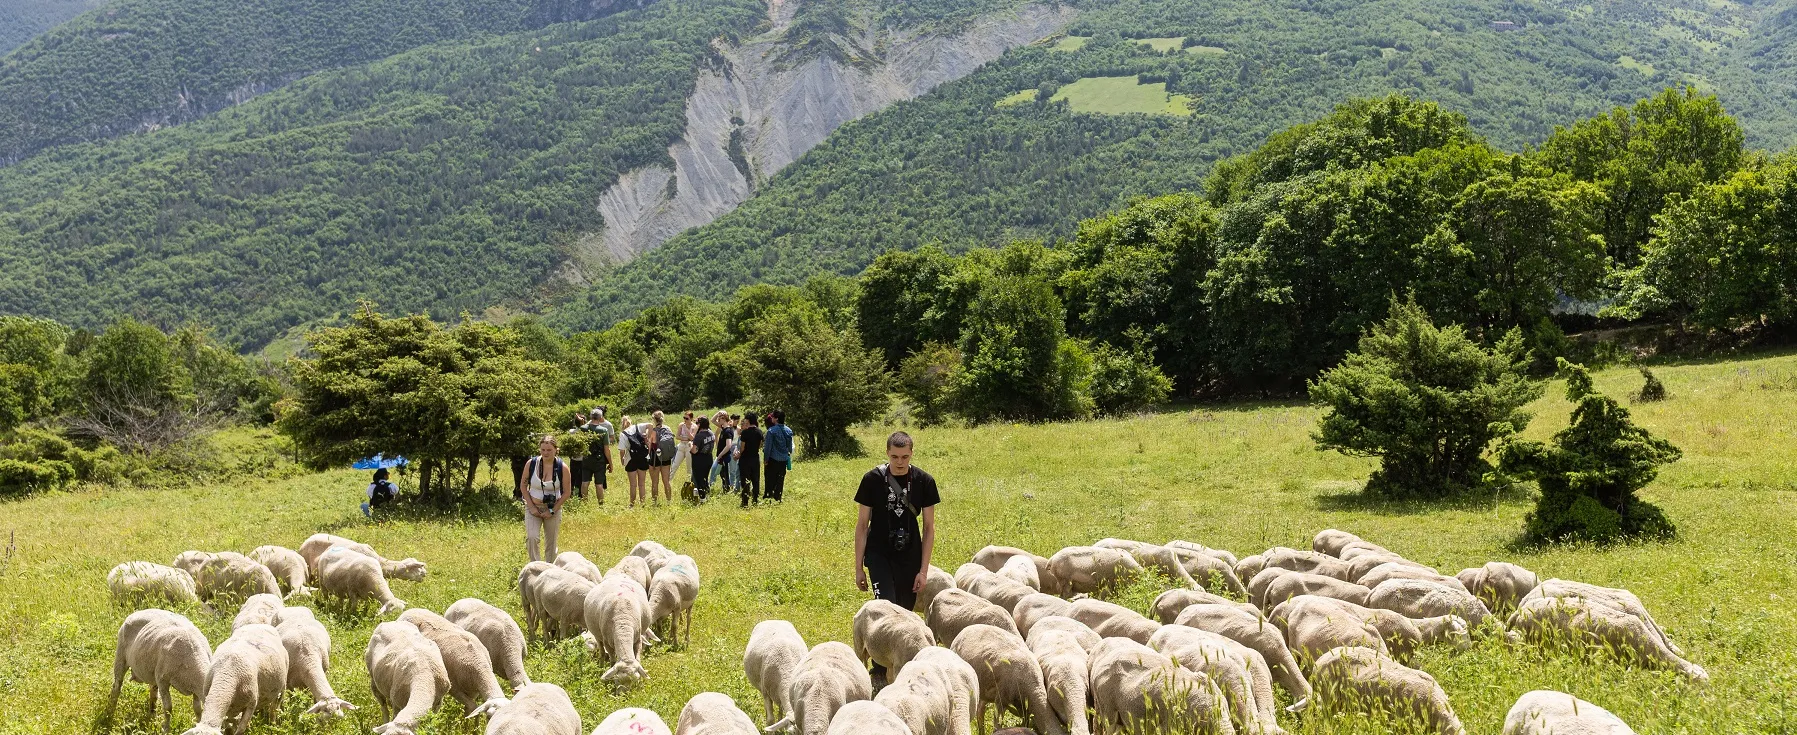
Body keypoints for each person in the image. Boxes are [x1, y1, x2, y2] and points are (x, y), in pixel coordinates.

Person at [853, 431, 939, 683]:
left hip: (910, 554)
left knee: (905, 611)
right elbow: (861, 525)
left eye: (904, 456)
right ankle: (879, 671)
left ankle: (901, 666)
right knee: (885, 608)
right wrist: (858, 567)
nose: (899, 462)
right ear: (887, 454)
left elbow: (930, 527)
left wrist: (923, 571)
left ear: (912, 454)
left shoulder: (924, 481)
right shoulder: (872, 480)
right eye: (894, 456)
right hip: (878, 552)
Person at [520, 434, 572, 562]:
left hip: (553, 507)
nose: (545, 453)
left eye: (549, 450)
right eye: (543, 450)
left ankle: (550, 569)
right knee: (532, 538)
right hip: (533, 506)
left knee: (551, 543)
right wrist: (531, 507)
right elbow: (523, 485)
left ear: (556, 450)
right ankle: (536, 567)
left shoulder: (562, 467)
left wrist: (552, 510)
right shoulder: (531, 464)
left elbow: (567, 492)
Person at [764, 409, 794, 502]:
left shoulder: (771, 431)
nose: (771, 418)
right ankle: (778, 498)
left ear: (776, 419)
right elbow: (789, 447)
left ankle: (769, 498)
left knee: (770, 480)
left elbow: (768, 447)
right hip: (783, 459)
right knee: (780, 480)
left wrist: (766, 459)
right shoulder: (789, 430)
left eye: (772, 417)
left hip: (773, 459)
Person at [648, 410, 676, 505]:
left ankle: (654, 503)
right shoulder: (668, 429)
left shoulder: (653, 431)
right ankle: (669, 501)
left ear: (654, 420)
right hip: (666, 458)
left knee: (655, 482)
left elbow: (650, 446)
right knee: (666, 481)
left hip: (655, 459)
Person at [621, 415, 650, 508]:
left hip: (631, 459)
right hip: (642, 458)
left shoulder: (623, 434)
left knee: (633, 484)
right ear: (631, 421)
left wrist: (622, 459)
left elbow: (622, 450)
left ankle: (632, 504)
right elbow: (650, 425)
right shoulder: (638, 427)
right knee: (642, 484)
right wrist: (646, 434)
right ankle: (643, 504)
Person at [587, 407, 614, 504]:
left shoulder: (584, 428)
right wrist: (610, 463)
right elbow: (607, 449)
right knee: (599, 483)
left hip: (587, 458)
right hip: (599, 458)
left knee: (585, 482)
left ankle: (584, 503)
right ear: (600, 417)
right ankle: (601, 504)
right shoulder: (603, 430)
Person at [737, 412, 765, 507]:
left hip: (745, 459)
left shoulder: (745, 432)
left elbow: (742, 447)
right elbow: (760, 445)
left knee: (745, 480)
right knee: (755, 479)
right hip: (755, 458)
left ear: (748, 420)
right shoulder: (759, 431)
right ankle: (755, 500)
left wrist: (739, 454)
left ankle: (745, 502)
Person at [565, 412, 592, 500]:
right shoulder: (587, 432)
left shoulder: (571, 432)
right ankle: (580, 496)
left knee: (572, 477)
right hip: (584, 459)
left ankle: (570, 494)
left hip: (574, 459)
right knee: (581, 479)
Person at [690, 416, 714, 501]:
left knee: (699, 480)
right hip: (709, 458)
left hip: (699, 460)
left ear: (700, 424)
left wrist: (690, 445)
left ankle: (702, 498)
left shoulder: (699, 436)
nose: (695, 425)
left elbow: (694, 451)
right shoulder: (711, 433)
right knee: (705, 478)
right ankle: (707, 495)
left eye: (696, 423)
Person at [671, 410, 697, 492]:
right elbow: (677, 436)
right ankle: (668, 481)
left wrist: (687, 430)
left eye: (687, 418)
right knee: (675, 464)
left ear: (691, 419)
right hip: (682, 446)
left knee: (689, 467)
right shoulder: (681, 425)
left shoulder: (695, 426)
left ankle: (690, 485)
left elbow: (692, 438)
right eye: (684, 418)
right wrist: (686, 438)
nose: (685, 420)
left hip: (689, 447)